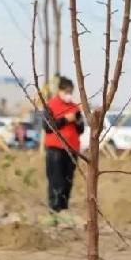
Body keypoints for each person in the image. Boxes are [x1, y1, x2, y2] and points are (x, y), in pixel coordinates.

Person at [44, 77, 84, 212]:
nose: (68, 94)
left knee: (68, 181)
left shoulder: (74, 107)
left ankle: (64, 208)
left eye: (70, 91)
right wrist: (66, 119)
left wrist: (78, 121)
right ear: (60, 90)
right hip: (55, 149)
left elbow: (81, 129)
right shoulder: (51, 105)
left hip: (72, 149)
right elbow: (48, 127)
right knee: (56, 180)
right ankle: (54, 209)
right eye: (66, 91)